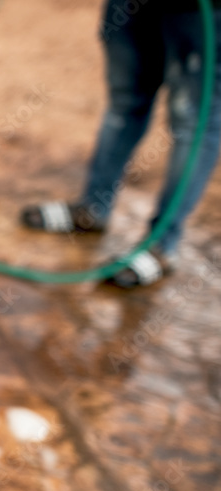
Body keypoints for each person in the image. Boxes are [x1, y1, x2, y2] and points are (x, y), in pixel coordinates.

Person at [21, 0, 221, 288]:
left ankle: (163, 245)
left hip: (199, 12)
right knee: (125, 100)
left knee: (193, 121)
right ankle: (93, 209)